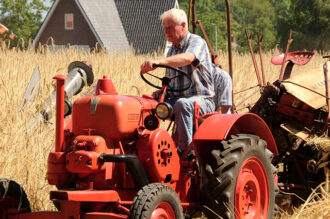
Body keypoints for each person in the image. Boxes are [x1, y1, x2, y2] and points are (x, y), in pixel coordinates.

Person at [140, 8, 215, 153]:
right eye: (164, 28)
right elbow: (172, 81)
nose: (165, 32)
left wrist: (158, 62)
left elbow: (188, 58)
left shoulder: (197, 42)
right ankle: (145, 148)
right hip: (177, 99)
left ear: (183, 25)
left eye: (169, 28)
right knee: (145, 103)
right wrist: (161, 93)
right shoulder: (171, 50)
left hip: (202, 101)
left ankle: (186, 152)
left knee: (182, 104)